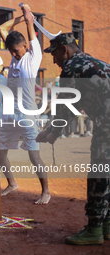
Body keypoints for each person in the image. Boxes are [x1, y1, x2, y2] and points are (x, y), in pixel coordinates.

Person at [36, 33, 110, 245]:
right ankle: (107, 224)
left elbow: (66, 105)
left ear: (65, 50)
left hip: (107, 124)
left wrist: (51, 134)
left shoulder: (71, 67)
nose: (54, 60)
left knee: (99, 173)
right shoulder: (98, 63)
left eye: (55, 54)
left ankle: (95, 228)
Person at [0, 4, 50, 204]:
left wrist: (27, 12)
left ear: (25, 46)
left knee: (33, 156)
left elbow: (30, 22)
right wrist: (20, 16)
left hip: (27, 115)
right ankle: (12, 183)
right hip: (9, 115)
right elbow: (2, 29)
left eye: (16, 50)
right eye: (11, 51)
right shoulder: (14, 57)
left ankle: (45, 191)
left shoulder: (33, 56)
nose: (14, 54)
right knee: (1, 153)